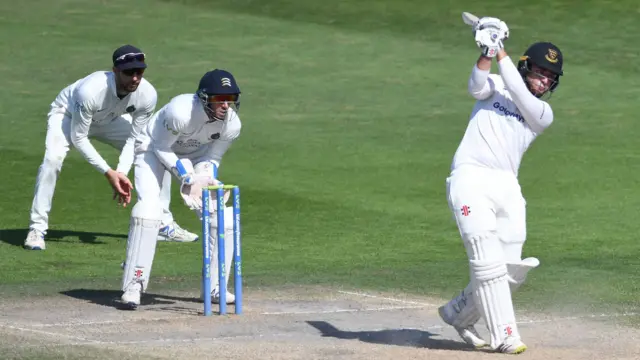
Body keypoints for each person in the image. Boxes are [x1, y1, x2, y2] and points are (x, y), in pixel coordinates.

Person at [437, 17, 564, 354]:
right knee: (485, 256)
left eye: (550, 77)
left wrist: (499, 49)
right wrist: (486, 52)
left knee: (510, 268)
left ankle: (458, 313)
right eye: (540, 71)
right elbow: (476, 86)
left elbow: (519, 91)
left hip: (507, 185)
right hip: (470, 176)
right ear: (526, 67)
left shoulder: (542, 113)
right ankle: (505, 335)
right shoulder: (497, 82)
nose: (545, 80)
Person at [24, 45, 198, 251]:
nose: (135, 78)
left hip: (109, 119)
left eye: (139, 72)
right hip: (69, 115)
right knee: (52, 160)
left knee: (155, 148)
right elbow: (78, 138)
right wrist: (109, 173)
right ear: (115, 70)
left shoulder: (147, 94)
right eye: (129, 72)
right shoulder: (90, 91)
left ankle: (163, 224)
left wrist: (122, 172)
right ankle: (37, 229)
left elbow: (135, 138)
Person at [119, 68, 242, 309]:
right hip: (152, 148)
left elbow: (213, 157)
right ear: (204, 97)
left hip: (196, 156)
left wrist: (205, 178)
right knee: (148, 212)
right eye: (219, 99)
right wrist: (186, 177)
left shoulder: (232, 125)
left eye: (230, 99)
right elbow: (162, 147)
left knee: (224, 216)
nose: (226, 105)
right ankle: (134, 284)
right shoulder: (180, 112)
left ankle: (216, 287)